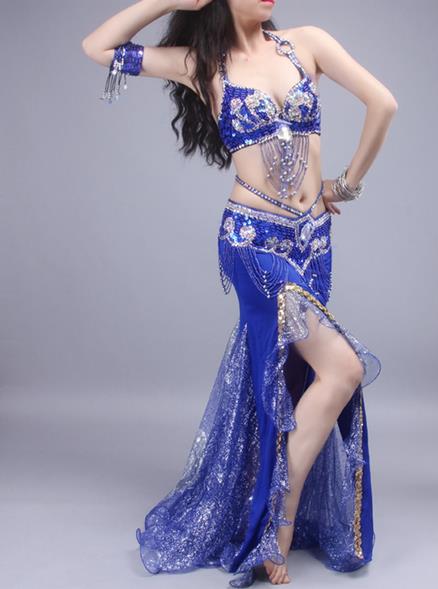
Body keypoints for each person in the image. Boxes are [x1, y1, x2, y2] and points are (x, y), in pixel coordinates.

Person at [82, 0, 397, 586]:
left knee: (290, 376)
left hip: (313, 241)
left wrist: (346, 186)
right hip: (253, 241)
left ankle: (266, 502)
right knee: (343, 369)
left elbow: (384, 103)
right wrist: (170, 1)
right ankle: (278, 520)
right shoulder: (201, 64)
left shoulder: (306, 43)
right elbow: (97, 48)